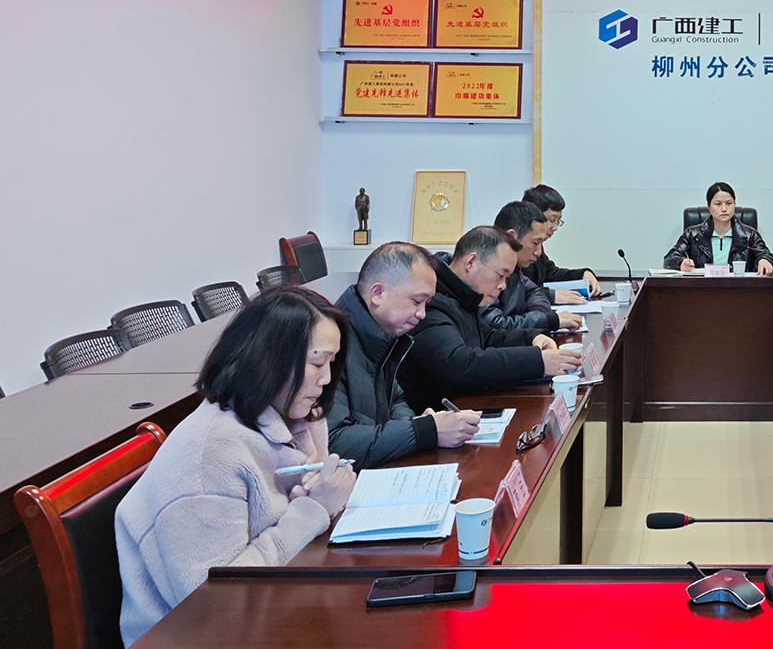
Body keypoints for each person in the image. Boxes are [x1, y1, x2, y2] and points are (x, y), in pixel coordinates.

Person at [115, 287, 358, 646]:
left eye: (332, 363)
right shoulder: (208, 456)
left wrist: (318, 496)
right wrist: (312, 510)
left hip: (274, 614)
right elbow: (215, 604)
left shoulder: (300, 418)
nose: (326, 378)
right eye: (317, 362)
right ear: (267, 358)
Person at [327, 242, 481, 469]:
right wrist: (424, 431)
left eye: (426, 304)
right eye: (417, 301)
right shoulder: (331, 344)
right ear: (377, 293)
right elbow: (334, 443)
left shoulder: (384, 332)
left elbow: (395, 400)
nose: (422, 314)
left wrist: (415, 423)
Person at [403, 226, 583, 411]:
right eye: (500, 275)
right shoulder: (431, 300)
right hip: (439, 414)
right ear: (471, 262)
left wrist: (532, 338)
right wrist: (538, 361)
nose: (503, 286)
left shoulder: (462, 293)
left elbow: (488, 337)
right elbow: (459, 364)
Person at [483, 200, 583, 333]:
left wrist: (539, 316)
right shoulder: (484, 269)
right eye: (535, 243)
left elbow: (535, 292)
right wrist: (546, 320)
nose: (538, 252)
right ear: (511, 237)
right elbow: (493, 325)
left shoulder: (514, 267)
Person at [662, 181, 773, 274]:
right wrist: (681, 263)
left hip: (740, 289)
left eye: (729, 203)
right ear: (709, 207)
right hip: (701, 289)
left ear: (734, 205)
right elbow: (669, 259)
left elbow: (767, 256)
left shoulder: (750, 235)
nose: (724, 209)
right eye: (718, 204)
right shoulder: (692, 234)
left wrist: (765, 260)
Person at [515, 184, 603, 303]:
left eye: (558, 221)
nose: (555, 227)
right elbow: (517, 291)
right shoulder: (512, 248)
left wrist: (583, 274)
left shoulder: (538, 248)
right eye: (551, 220)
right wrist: (552, 295)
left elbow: (552, 275)